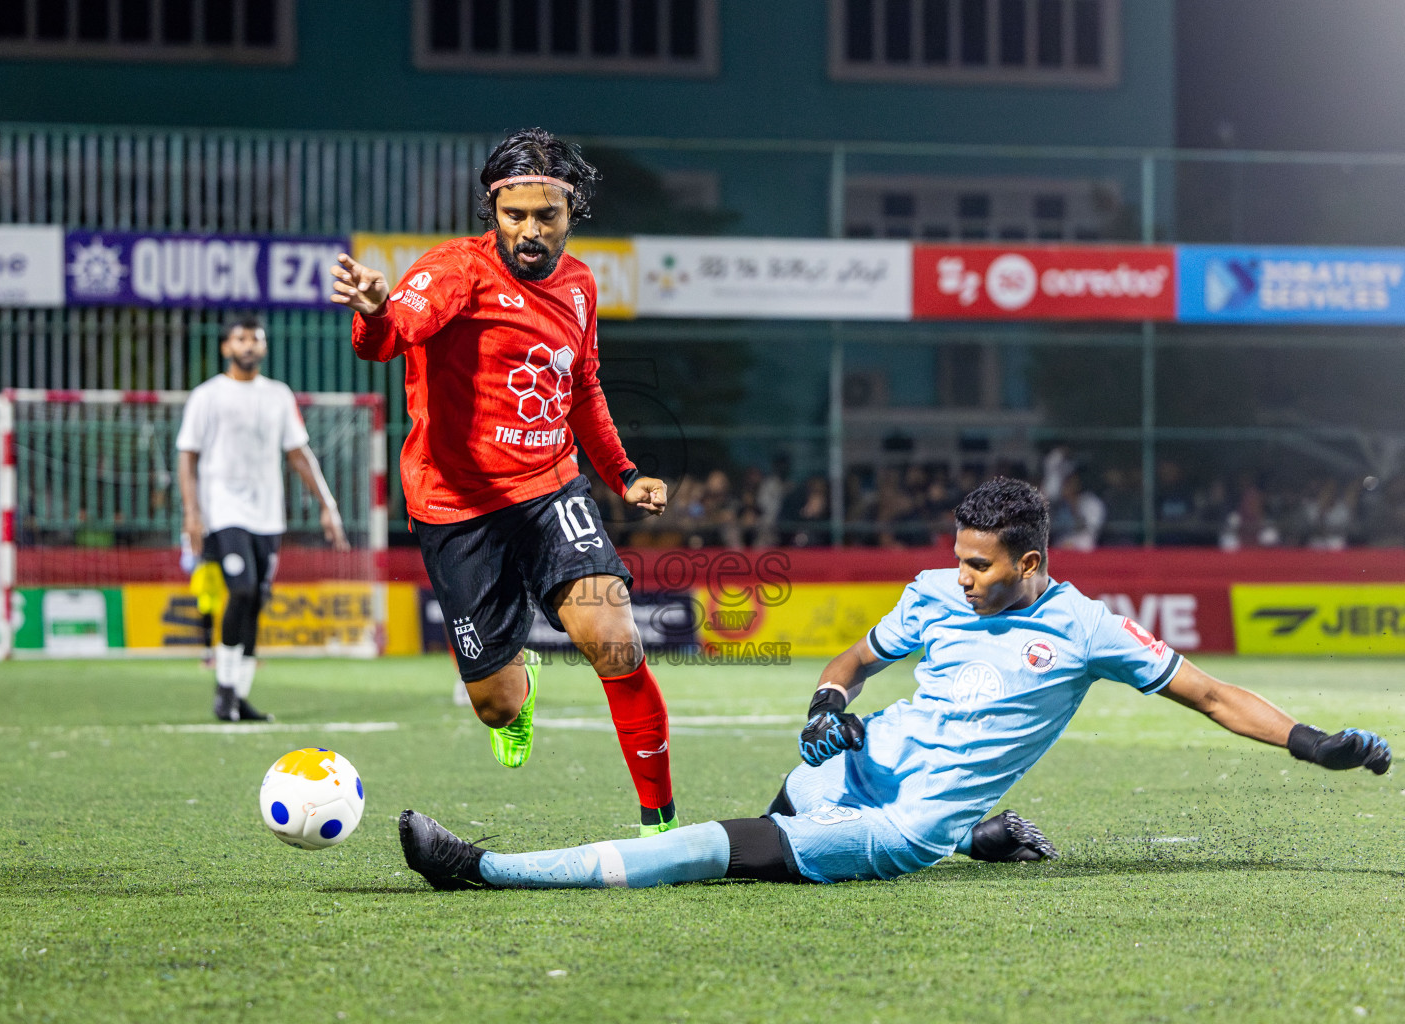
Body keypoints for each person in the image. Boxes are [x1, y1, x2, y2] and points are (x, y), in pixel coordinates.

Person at [397, 478, 1391, 891]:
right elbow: (854, 662)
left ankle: (487, 869)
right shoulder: (931, 593)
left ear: (1033, 562)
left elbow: (1213, 695)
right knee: (793, 792)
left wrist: (1310, 741)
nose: (959, 578)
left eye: (980, 567)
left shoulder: (1087, 629)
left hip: (902, 822)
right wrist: (831, 701)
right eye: (956, 559)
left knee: (717, 847)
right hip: (866, 761)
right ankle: (972, 830)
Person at [329, 128, 679, 835]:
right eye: (513, 214)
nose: (527, 230)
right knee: (495, 704)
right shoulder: (456, 271)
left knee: (617, 643)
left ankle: (661, 823)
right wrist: (373, 311)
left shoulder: (579, 284)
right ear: (493, 209)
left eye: (544, 216)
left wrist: (623, 473)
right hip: (456, 506)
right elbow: (395, 331)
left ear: (570, 211)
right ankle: (515, 693)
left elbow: (582, 388)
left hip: (552, 491)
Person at [177, 316, 350, 722]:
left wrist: (327, 504)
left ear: (264, 347)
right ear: (226, 347)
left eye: (255, 338)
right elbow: (188, 455)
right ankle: (224, 688)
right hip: (223, 509)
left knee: (256, 598)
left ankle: (239, 696)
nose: (248, 345)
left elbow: (298, 453)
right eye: (240, 339)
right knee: (240, 590)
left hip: (268, 514)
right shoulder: (208, 396)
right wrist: (192, 512)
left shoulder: (277, 395)